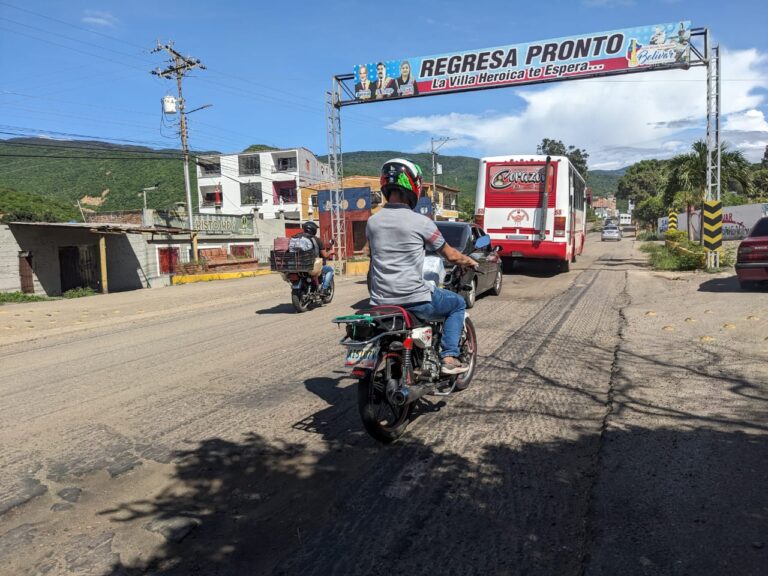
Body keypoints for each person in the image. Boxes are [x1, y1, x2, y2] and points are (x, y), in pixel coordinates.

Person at [366, 158, 479, 375]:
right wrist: (469, 261)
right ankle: (448, 356)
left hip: (379, 302)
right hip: (414, 299)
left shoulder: (373, 222)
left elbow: (373, 258)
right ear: (412, 185)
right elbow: (450, 255)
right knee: (456, 304)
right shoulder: (421, 222)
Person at [297, 221, 335, 294]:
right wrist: (331, 252)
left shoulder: (297, 238)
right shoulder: (317, 240)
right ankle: (324, 289)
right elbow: (325, 255)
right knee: (330, 270)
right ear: (313, 230)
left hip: (298, 265)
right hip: (312, 265)